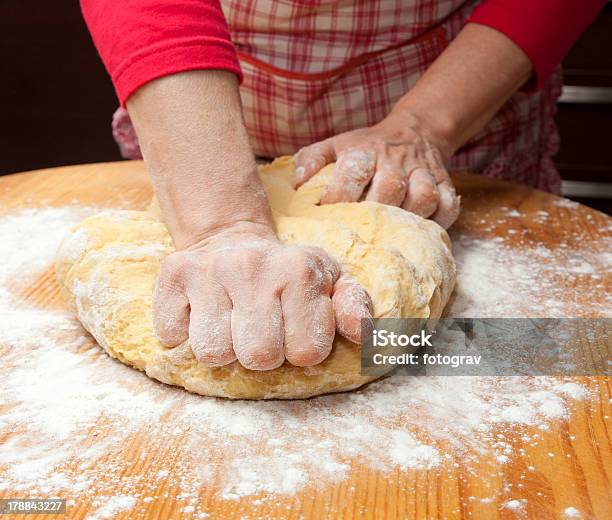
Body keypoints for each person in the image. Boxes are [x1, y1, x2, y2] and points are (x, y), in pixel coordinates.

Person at [80, 0, 604, 371]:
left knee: (550, 351)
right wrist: (220, 223)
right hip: (201, 108)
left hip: (459, 104)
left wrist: (422, 128)